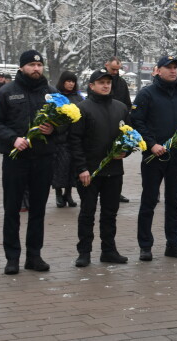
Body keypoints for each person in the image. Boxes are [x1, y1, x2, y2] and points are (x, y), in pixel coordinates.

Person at [0, 50, 62, 274]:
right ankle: (12, 258)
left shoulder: (52, 93)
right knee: (12, 209)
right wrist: (12, 139)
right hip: (15, 159)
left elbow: (67, 122)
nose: (36, 69)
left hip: (43, 158)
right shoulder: (6, 92)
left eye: (39, 65)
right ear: (21, 68)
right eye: (31, 65)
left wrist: (54, 128)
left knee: (38, 209)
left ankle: (34, 256)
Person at [132, 55, 177, 261]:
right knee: (149, 200)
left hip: (176, 156)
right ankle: (145, 245)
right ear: (157, 71)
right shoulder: (146, 94)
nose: (173, 70)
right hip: (153, 156)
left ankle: (173, 244)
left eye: (176, 67)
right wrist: (151, 144)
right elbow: (137, 123)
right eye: (168, 67)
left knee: (173, 201)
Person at [70, 68, 130, 267]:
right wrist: (81, 168)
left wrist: (126, 151)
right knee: (87, 212)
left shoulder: (120, 108)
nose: (106, 85)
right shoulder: (82, 108)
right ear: (91, 85)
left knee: (110, 213)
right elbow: (74, 141)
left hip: (114, 170)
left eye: (108, 82)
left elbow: (128, 136)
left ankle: (108, 250)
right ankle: (84, 252)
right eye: (101, 82)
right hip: (90, 172)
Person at [51, 71, 83, 208]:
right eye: (68, 81)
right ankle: (58, 194)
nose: (71, 84)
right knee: (60, 167)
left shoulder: (78, 97)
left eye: (73, 81)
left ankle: (68, 194)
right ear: (62, 82)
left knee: (72, 168)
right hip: (59, 138)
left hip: (74, 138)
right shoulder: (56, 97)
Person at [104, 56, 133, 204]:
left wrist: (125, 116)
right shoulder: (100, 79)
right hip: (102, 124)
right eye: (113, 69)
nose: (115, 72)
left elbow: (127, 103)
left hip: (118, 124)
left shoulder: (121, 83)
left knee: (117, 157)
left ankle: (116, 191)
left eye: (117, 69)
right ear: (106, 65)